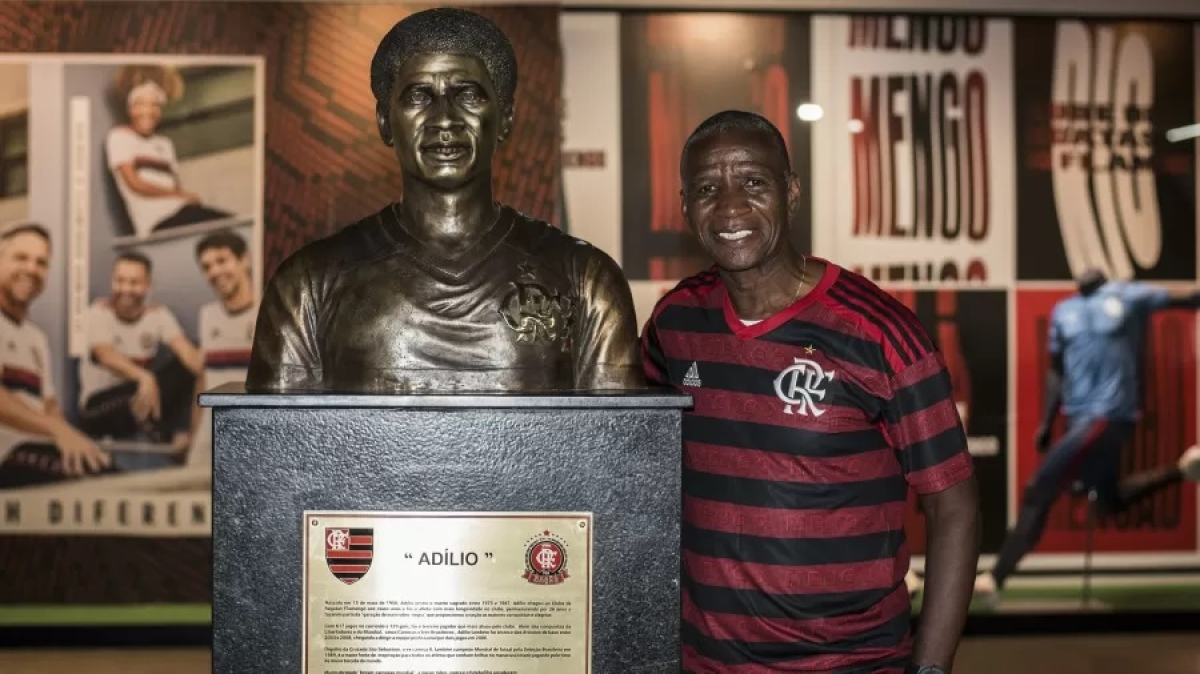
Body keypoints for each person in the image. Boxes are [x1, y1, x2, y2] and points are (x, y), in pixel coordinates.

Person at [641, 110, 979, 674]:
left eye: (753, 181)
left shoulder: (879, 333)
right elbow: (639, 456)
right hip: (705, 664)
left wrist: (930, 668)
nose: (729, 207)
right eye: (706, 188)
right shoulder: (674, 322)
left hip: (852, 664)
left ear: (791, 193)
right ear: (684, 207)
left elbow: (955, 507)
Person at [246, 8, 641, 393]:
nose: (445, 119)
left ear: (505, 118)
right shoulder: (307, 286)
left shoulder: (586, 280)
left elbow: (615, 435)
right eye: (419, 96)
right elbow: (273, 436)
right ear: (384, 122)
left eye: (467, 94)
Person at [975, 269, 1200, 603]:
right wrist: (1048, 421)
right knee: (1110, 502)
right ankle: (1181, 470)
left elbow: (1187, 299)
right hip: (1079, 420)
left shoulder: (1129, 295)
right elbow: (1056, 370)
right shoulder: (1064, 311)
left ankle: (995, 579)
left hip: (1107, 416)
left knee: (1039, 488)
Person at [0, 222, 112, 488]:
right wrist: (57, 431)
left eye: (41, 263)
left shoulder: (36, 338)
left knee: (110, 475)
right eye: (21, 258)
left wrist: (76, 440)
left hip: (34, 448)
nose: (31, 269)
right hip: (6, 457)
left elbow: (49, 407)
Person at [77, 251, 203, 460]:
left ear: (148, 285)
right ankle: (164, 434)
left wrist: (211, 374)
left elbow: (189, 356)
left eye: (134, 282)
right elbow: (105, 354)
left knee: (192, 359)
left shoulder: (158, 314)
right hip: (98, 409)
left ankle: (180, 434)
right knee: (143, 389)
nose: (126, 289)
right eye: (120, 281)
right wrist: (144, 377)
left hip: (141, 399)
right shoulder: (97, 312)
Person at [105, 65, 231, 239]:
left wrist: (182, 197)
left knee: (230, 223)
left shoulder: (165, 144)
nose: (147, 111)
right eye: (140, 104)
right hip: (157, 223)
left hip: (182, 212)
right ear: (130, 108)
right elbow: (134, 184)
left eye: (154, 105)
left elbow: (174, 185)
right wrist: (180, 195)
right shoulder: (119, 136)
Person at [186, 229, 257, 466]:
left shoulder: (273, 312)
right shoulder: (207, 315)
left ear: (244, 260)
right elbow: (203, 379)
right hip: (209, 438)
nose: (215, 271)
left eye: (222, 261)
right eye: (207, 267)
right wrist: (193, 436)